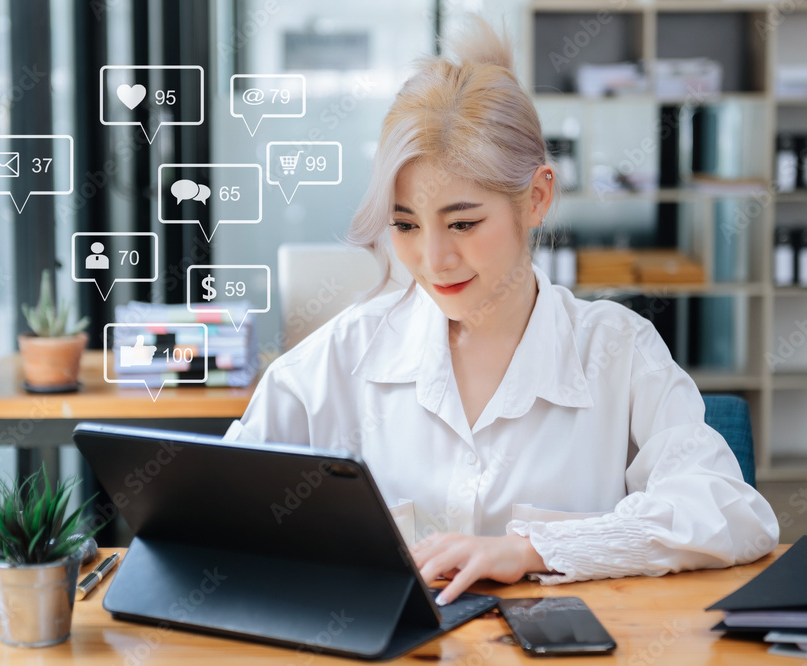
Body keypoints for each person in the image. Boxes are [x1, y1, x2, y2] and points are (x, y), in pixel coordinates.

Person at [223, 17, 779, 606]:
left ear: (536, 197)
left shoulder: (616, 348)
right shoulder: (343, 354)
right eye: (406, 225)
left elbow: (732, 511)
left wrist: (535, 551)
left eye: (463, 223)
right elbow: (219, 501)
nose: (434, 259)